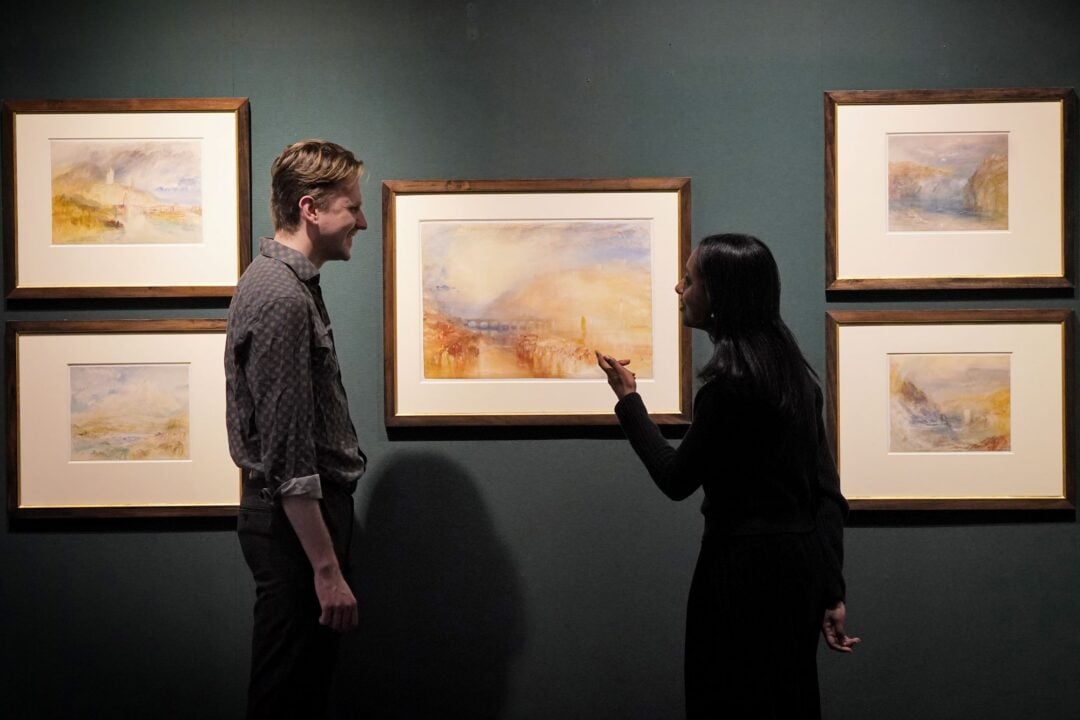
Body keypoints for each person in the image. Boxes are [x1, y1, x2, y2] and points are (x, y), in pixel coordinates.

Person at [596, 233, 858, 719]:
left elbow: (675, 479)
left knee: (724, 700)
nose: (679, 288)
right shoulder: (797, 380)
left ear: (720, 295)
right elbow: (826, 495)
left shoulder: (726, 389)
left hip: (737, 573)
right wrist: (832, 590)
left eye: (690, 279)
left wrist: (629, 401)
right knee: (788, 702)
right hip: (797, 574)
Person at [225, 139, 369, 719]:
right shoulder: (280, 295)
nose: (361, 220)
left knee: (302, 693)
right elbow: (287, 457)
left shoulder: (290, 285)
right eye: (351, 207)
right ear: (311, 208)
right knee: (287, 699)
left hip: (301, 527)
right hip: (295, 532)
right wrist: (326, 568)